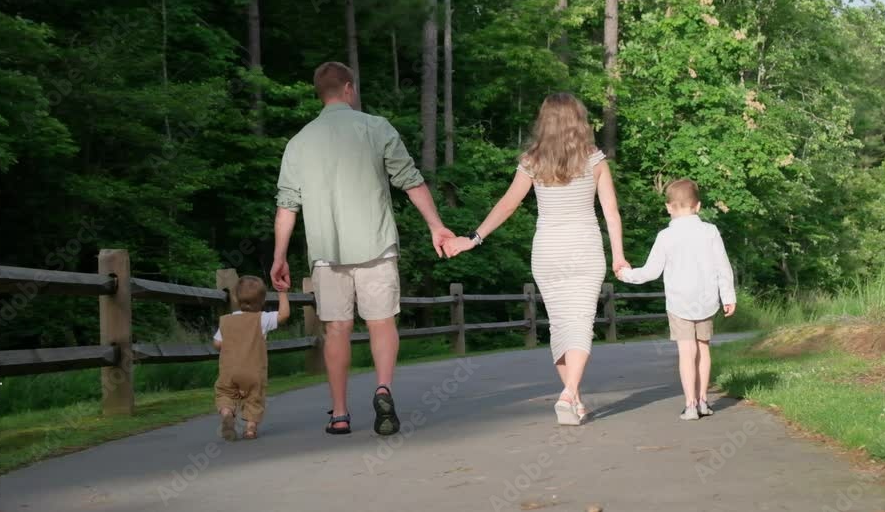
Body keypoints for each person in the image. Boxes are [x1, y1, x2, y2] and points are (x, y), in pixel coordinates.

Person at [271, 61, 454, 436]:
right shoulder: (376, 127)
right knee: (381, 322)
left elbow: (287, 205)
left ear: (320, 94)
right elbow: (410, 180)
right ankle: (383, 389)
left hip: (326, 252)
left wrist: (279, 257)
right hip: (376, 244)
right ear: (349, 88)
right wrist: (437, 227)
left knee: (336, 329)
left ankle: (339, 414)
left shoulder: (299, 142)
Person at [444, 92, 627, 425]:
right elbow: (611, 212)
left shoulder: (532, 161)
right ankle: (570, 393)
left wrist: (474, 238)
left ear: (545, 122)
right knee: (581, 322)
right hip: (584, 250)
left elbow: (507, 205)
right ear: (579, 120)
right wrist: (619, 256)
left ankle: (573, 397)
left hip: (548, 253)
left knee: (560, 326)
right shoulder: (595, 159)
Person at [615, 178, 736, 421]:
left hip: (680, 302)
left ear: (669, 207)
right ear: (698, 206)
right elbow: (723, 267)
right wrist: (728, 296)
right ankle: (703, 401)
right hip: (707, 300)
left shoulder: (665, 236)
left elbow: (651, 272)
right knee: (703, 348)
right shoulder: (710, 232)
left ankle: (690, 405)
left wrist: (625, 274)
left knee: (686, 351)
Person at [213, 275, 290, 440]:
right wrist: (282, 291)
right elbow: (283, 315)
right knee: (255, 397)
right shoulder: (261, 319)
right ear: (262, 300)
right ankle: (250, 429)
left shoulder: (227, 320)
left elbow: (217, 343)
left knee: (225, 393)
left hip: (229, 371)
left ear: (235, 297)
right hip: (253, 371)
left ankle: (227, 413)